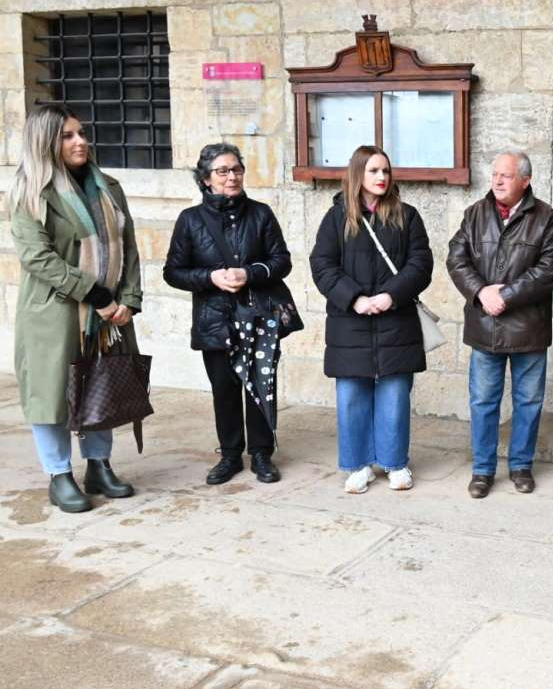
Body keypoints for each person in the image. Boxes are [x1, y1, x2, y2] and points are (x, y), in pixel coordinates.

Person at [8, 104, 143, 513]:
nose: (80, 141)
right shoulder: (31, 193)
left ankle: (98, 466)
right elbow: (38, 258)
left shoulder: (108, 187)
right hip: (55, 313)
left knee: (101, 385)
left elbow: (129, 248)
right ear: (45, 142)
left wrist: (130, 301)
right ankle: (59, 474)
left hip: (107, 313)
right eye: (67, 136)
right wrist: (97, 295)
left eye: (81, 133)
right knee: (51, 396)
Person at [164, 143, 294, 485]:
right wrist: (210, 277)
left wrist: (249, 273)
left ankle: (263, 453)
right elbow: (173, 272)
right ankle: (231, 454)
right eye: (222, 171)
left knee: (261, 383)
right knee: (224, 387)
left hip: (258, 316)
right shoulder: (190, 220)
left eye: (236, 169)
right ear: (206, 179)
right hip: (215, 319)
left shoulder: (261, 213)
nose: (231, 176)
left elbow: (282, 261)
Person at [310, 146, 433, 494]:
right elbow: (322, 266)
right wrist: (355, 299)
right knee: (351, 396)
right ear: (357, 175)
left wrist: (390, 295)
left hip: (396, 321)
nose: (381, 178)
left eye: (386, 171)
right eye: (374, 171)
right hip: (350, 322)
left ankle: (395, 462)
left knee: (395, 394)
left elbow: (420, 263)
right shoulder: (336, 219)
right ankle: (358, 464)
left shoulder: (407, 216)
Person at [446, 150, 553, 498]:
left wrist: (506, 296)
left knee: (528, 401)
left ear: (525, 180)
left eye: (506, 175)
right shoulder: (475, 214)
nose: (497, 180)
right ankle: (482, 470)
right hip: (485, 326)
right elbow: (456, 258)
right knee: (483, 401)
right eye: (495, 174)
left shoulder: (546, 217)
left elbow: (549, 269)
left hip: (528, 327)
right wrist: (481, 292)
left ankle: (521, 466)